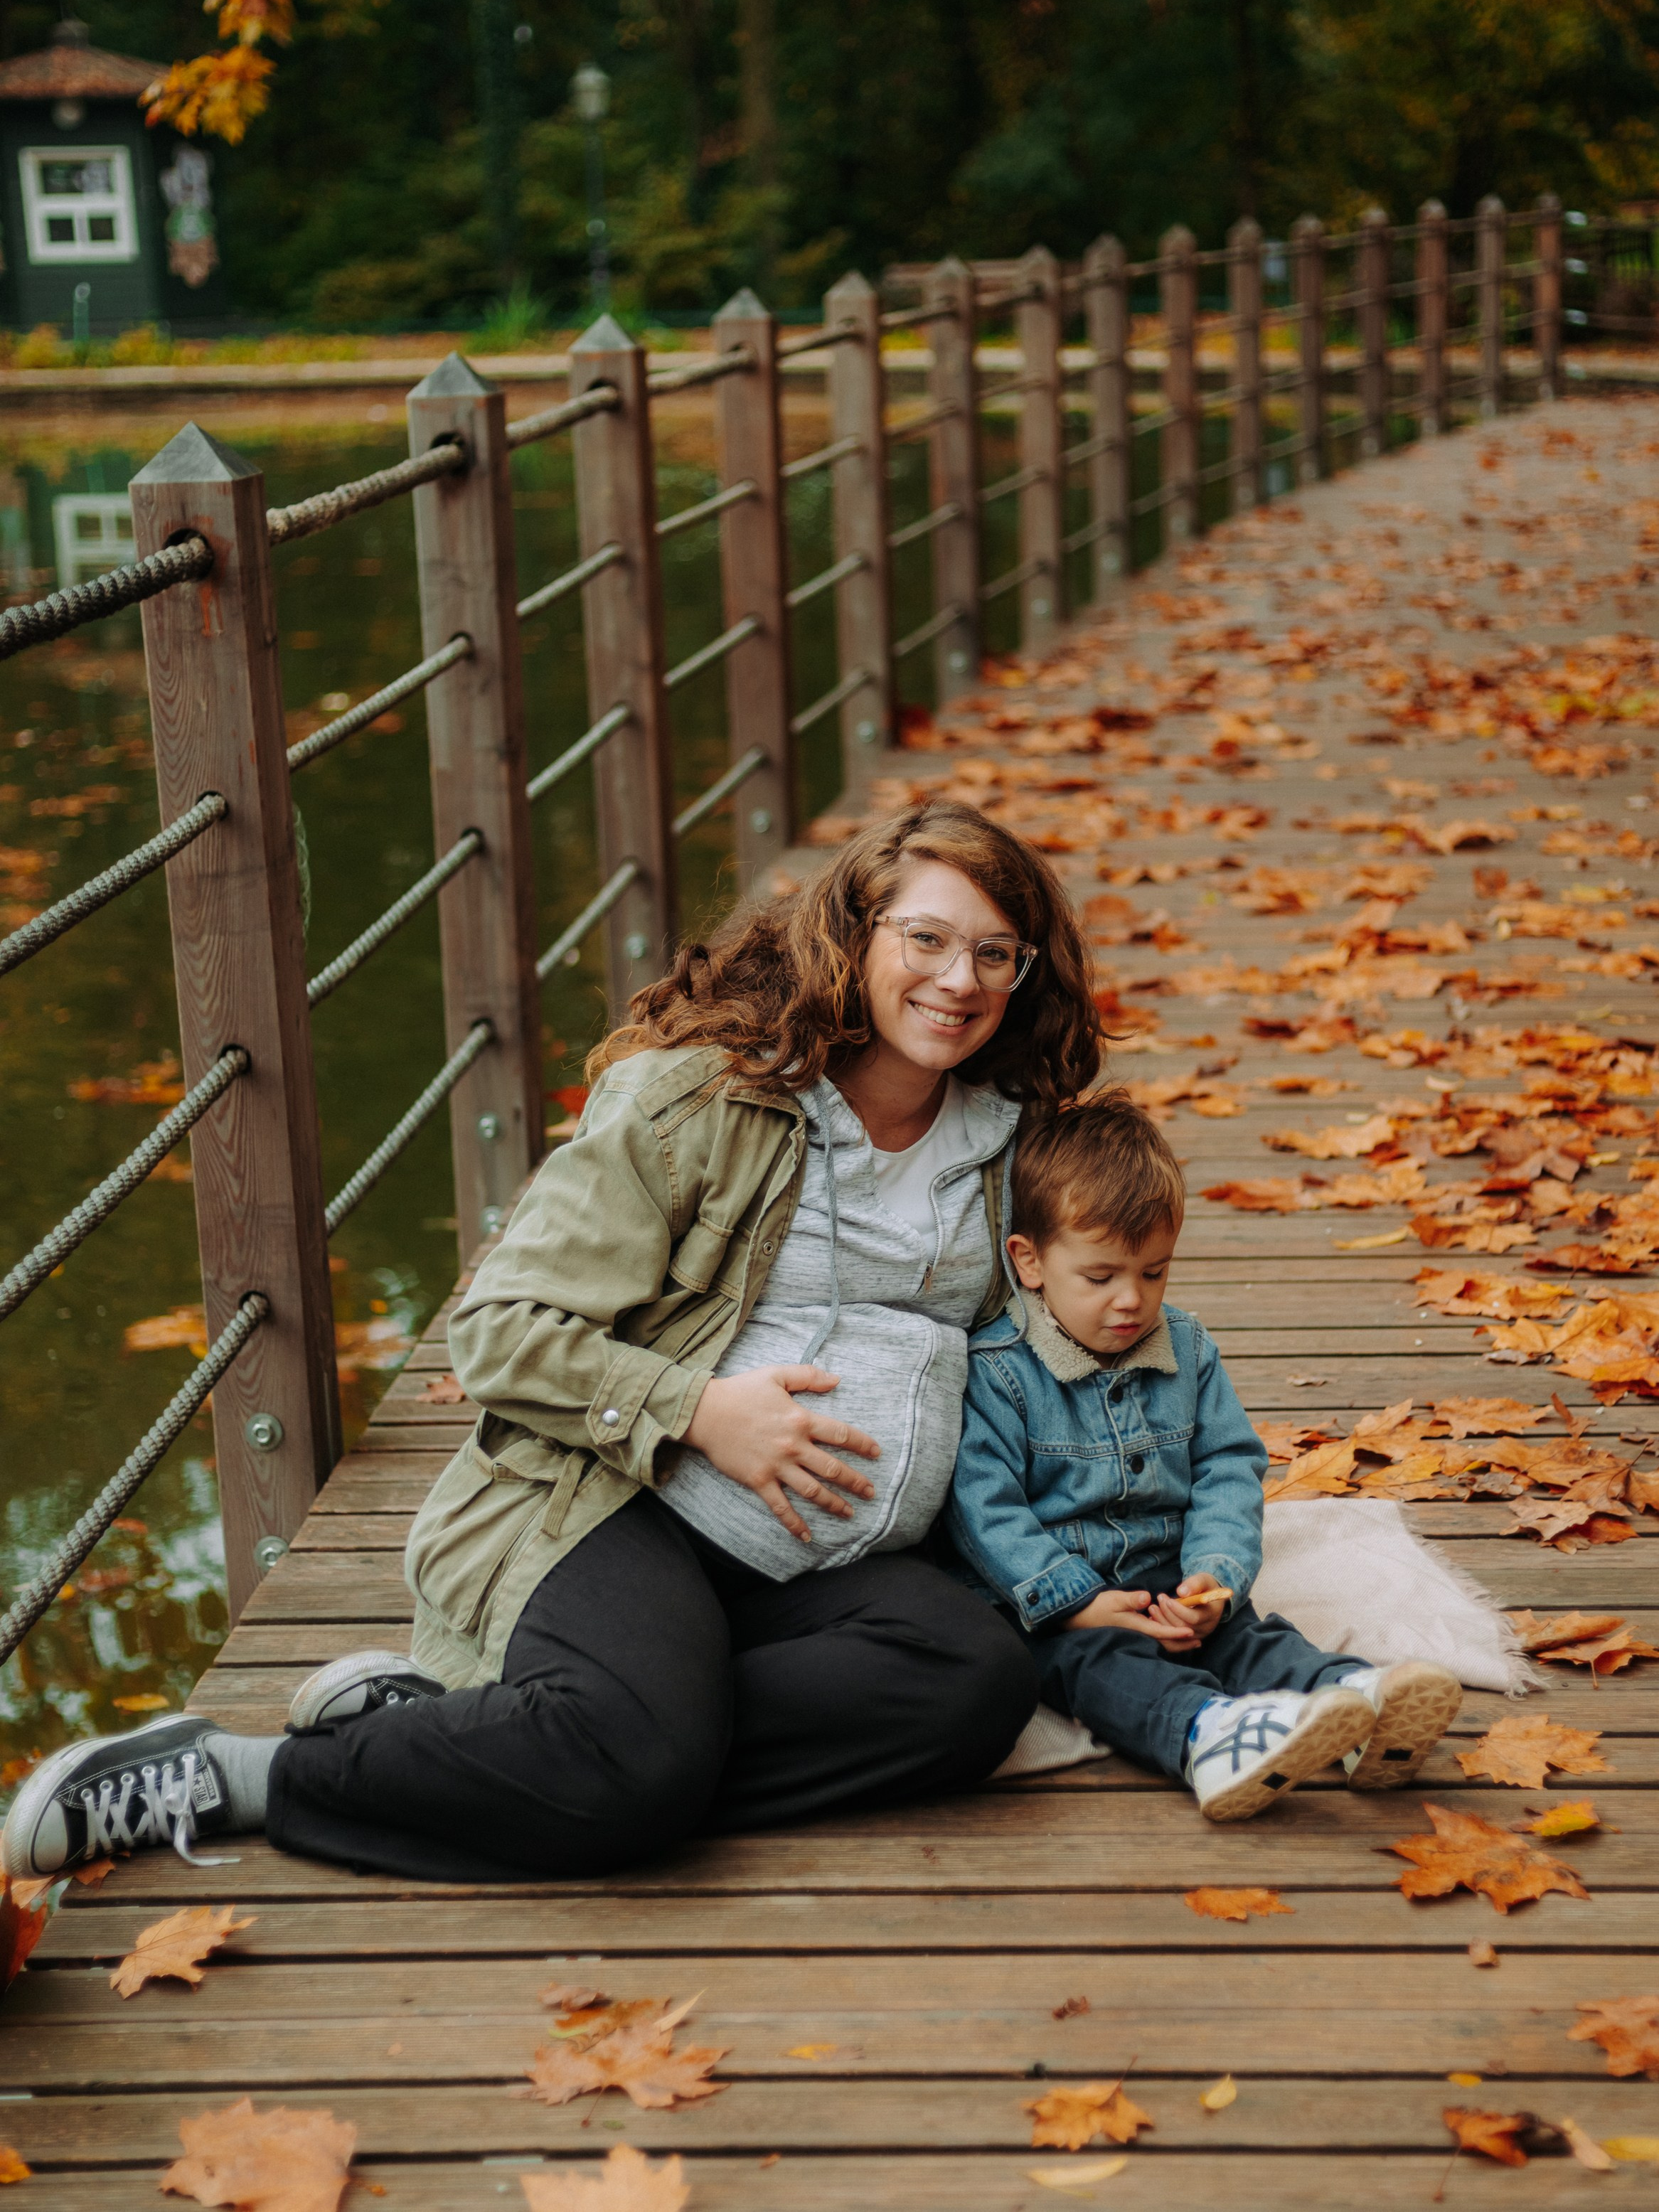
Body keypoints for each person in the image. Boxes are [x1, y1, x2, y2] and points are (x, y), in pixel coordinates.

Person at [3, 803, 1102, 1884]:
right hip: (624, 1505)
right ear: (855, 936)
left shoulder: (1008, 1141)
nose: (959, 980)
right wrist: (698, 1412)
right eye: (926, 938)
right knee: (641, 1761)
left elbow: (1061, 1342)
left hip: (819, 1568)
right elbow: (499, 1331)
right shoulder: (703, 1102)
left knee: (974, 1683)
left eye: (994, 954)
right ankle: (245, 1777)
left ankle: (512, 1735)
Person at [946, 1093, 1463, 1822]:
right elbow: (983, 1509)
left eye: (1153, 1272)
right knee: (1104, 1670)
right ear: (1028, 1261)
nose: (1131, 1300)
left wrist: (1214, 1577)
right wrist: (1077, 1604)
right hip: (1059, 1610)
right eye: (1100, 1277)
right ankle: (1208, 1733)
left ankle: (1351, 1701)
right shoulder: (998, 1371)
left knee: (1246, 1636)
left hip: (1171, 1575)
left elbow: (1226, 1464)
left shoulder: (1184, 1347)